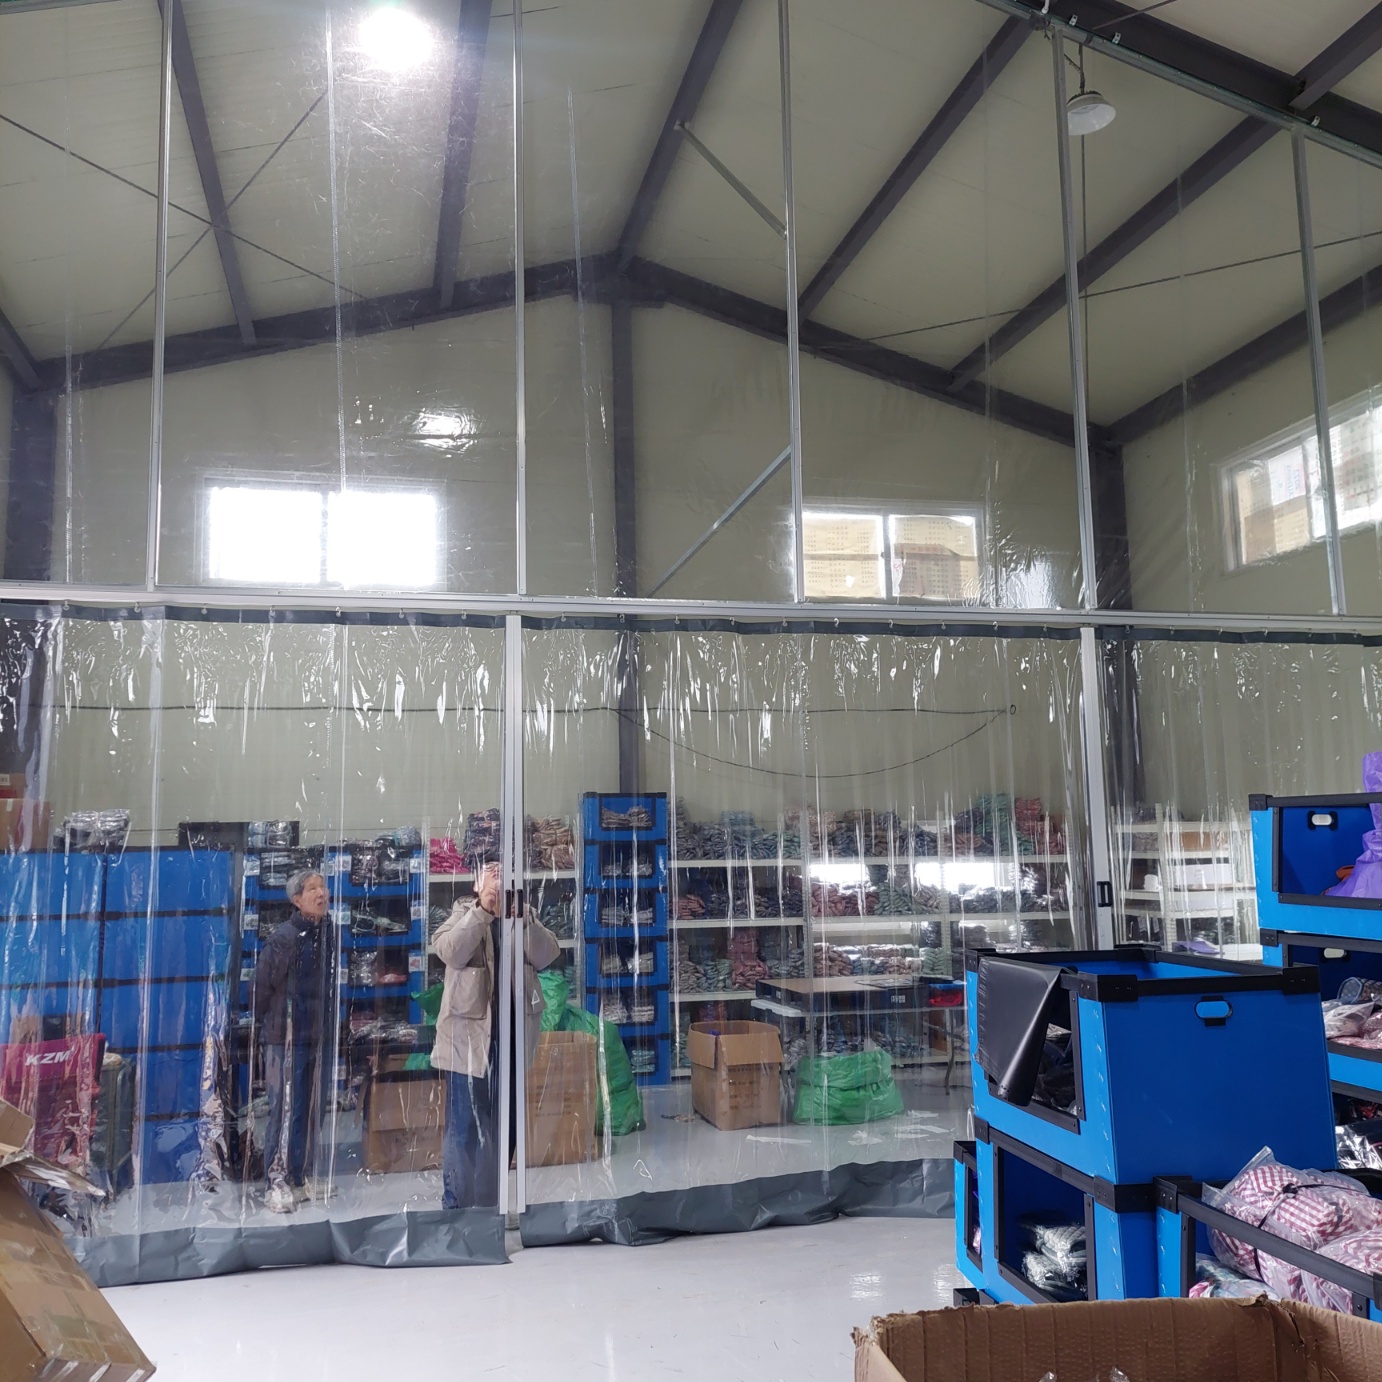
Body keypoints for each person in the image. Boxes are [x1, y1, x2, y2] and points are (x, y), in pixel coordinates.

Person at [431, 861, 560, 1210]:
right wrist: (483, 911)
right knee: (465, 1125)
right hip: (469, 1044)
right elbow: (450, 951)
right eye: (491, 875)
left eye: (505, 875)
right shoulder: (462, 913)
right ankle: (458, 1207)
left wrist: (523, 918)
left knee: (507, 1125)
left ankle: (490, 1203)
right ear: (475, 886)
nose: (499, 882)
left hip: (513, 1041)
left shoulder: (524, 915)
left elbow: (547, 955)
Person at [251, 867, 335, 1214]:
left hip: (317, 1035)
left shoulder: (328, 933)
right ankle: (276, 1181)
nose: (321, 893)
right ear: (297, 900)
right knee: (284, 1111)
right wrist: (269, 1027)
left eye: (323, 887)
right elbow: (261, 988)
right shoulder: (284, 938)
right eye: (312, 889)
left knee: (312, 1109)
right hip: (284, 1038)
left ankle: (303, 1176)